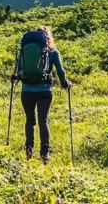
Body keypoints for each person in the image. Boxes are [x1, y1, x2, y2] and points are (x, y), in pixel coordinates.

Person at [12, 25, 71, 163]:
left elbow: (19, 69)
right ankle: (45, 153)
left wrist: (16, 77)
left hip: (26, 91)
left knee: (30, 120)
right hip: (45, 91)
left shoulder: (25, 50)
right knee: (43, 120)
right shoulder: (53, 51)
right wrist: (64, 83)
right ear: (48, 37)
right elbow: (61, 71)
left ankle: (28, 149)